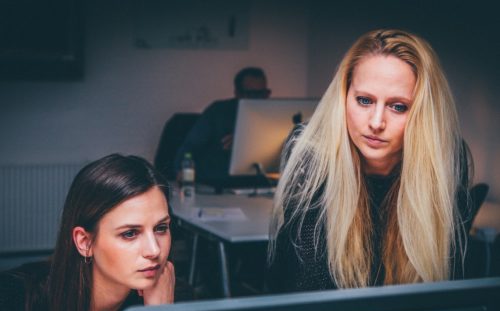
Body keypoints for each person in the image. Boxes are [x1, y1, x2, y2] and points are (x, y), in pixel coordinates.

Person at [268, 29, 471, 293]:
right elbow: (310, 286)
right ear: (343, 96)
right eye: (364, 100)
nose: (376, 123)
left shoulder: (448, 158)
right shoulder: (312, 153)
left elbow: (445, 287)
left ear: (424, 113)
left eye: (398, 106)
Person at [0, 154, 177, 311]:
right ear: (85, 243)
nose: (154, 250)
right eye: (130, 233)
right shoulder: (15, 302)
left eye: (161, 228)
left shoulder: (167, 300)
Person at [174, 66, 271, 183]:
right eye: (251, 94)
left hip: (259, 183)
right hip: (219, 182)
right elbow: (190, 146)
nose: (258, 100)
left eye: (262, 94)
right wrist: (182, 171)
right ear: (237, 94)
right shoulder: (218, 112)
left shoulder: (271, 118)